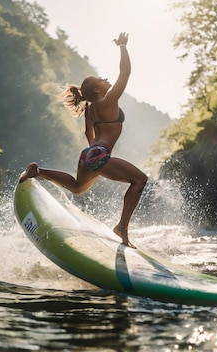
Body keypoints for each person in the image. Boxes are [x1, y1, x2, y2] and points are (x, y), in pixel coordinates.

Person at [19, 32, 147, 248]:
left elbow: (89, 136)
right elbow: (125, 72)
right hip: (98, 153)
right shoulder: (108, 101)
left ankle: (38, 171)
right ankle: (122, 228)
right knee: (140, 180)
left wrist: (93, 158)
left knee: (79, 187)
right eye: (101, 80)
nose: (105, 79)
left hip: (88, 154)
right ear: (97, 89)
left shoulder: (89, 110)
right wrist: (123, 46)